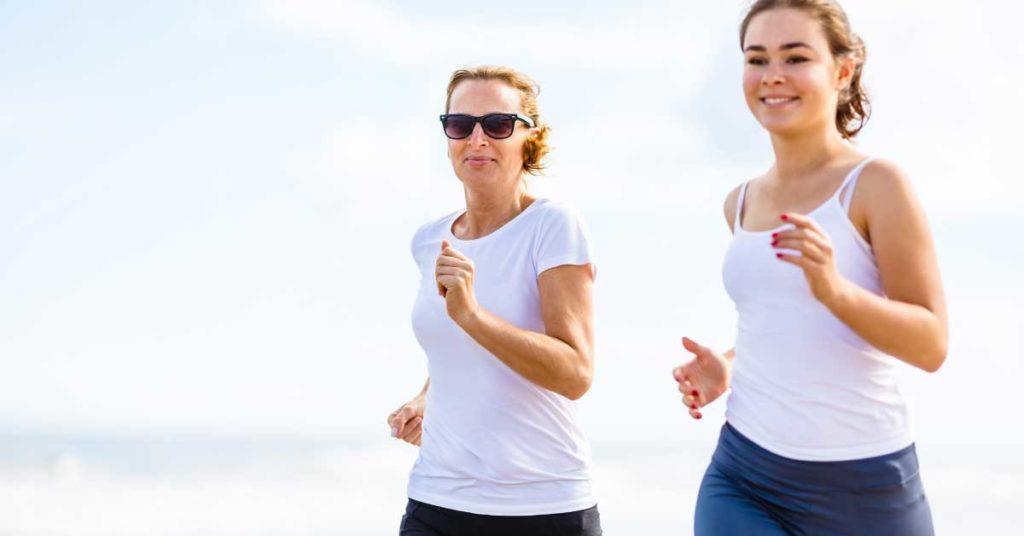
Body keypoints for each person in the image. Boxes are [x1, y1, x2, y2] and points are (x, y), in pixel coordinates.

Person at [672, 1, 948, 534]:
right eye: (757, 59)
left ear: (842, 71)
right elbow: (785, 321)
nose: (773, 76)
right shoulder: (740, 202)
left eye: (796, 58)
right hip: (745, 478)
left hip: (867, 488)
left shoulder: (876, 186)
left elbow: (931, 344)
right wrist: (730, 365)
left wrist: (835, 290)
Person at [387, 65, 602, 536]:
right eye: (461, 125)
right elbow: (455, 349)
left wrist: (472, 316)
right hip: (437, 499)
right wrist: (426, 398)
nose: (477, 139)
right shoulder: (429, 241)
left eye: (498, 125)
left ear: (530, 137)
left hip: (544, 507)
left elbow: (575, 374)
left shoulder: (552, 226)